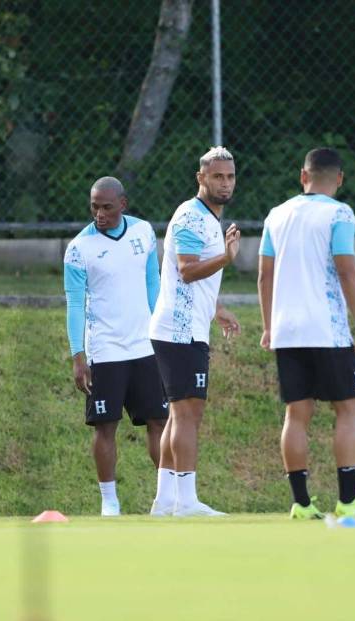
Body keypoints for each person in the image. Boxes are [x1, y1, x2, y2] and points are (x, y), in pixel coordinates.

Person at [257, 148, 355, 520]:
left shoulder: (277, 214)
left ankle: (301, 503)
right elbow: (346, 269)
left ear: (303, 176)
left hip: (287, 331)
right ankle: (349, 499)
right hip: (327, 330)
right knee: (350, 408)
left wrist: (269, 326)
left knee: (296, 414)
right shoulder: (339, 213)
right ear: (339, 179)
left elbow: (264, 276)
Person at [147, 146, 242, 516]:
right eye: (217, 176)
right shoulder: (191, 217)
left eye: (230, 176)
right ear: (201, 178)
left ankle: (165, 500)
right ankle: (185, 500)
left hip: (183, 328)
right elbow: (186, 269)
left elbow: (183, 278)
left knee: (178, 414)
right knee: (188, 414)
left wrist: (216, 309)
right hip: (179, 331)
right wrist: (227, 258)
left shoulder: (207, 218)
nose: (225, 183)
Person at [63, 177, 167, 516]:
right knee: (105, 426)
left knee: (158, 422)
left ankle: (166, 496)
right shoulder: (79, 249)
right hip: (104, 350)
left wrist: (160, 332)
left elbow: (153, 281)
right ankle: (109, 501)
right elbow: (75, 304)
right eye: (94, 206)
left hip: (144, 346)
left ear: (123, 204)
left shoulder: (143, 233)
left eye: (106, 207)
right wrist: (78, 356)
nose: (99, 214)